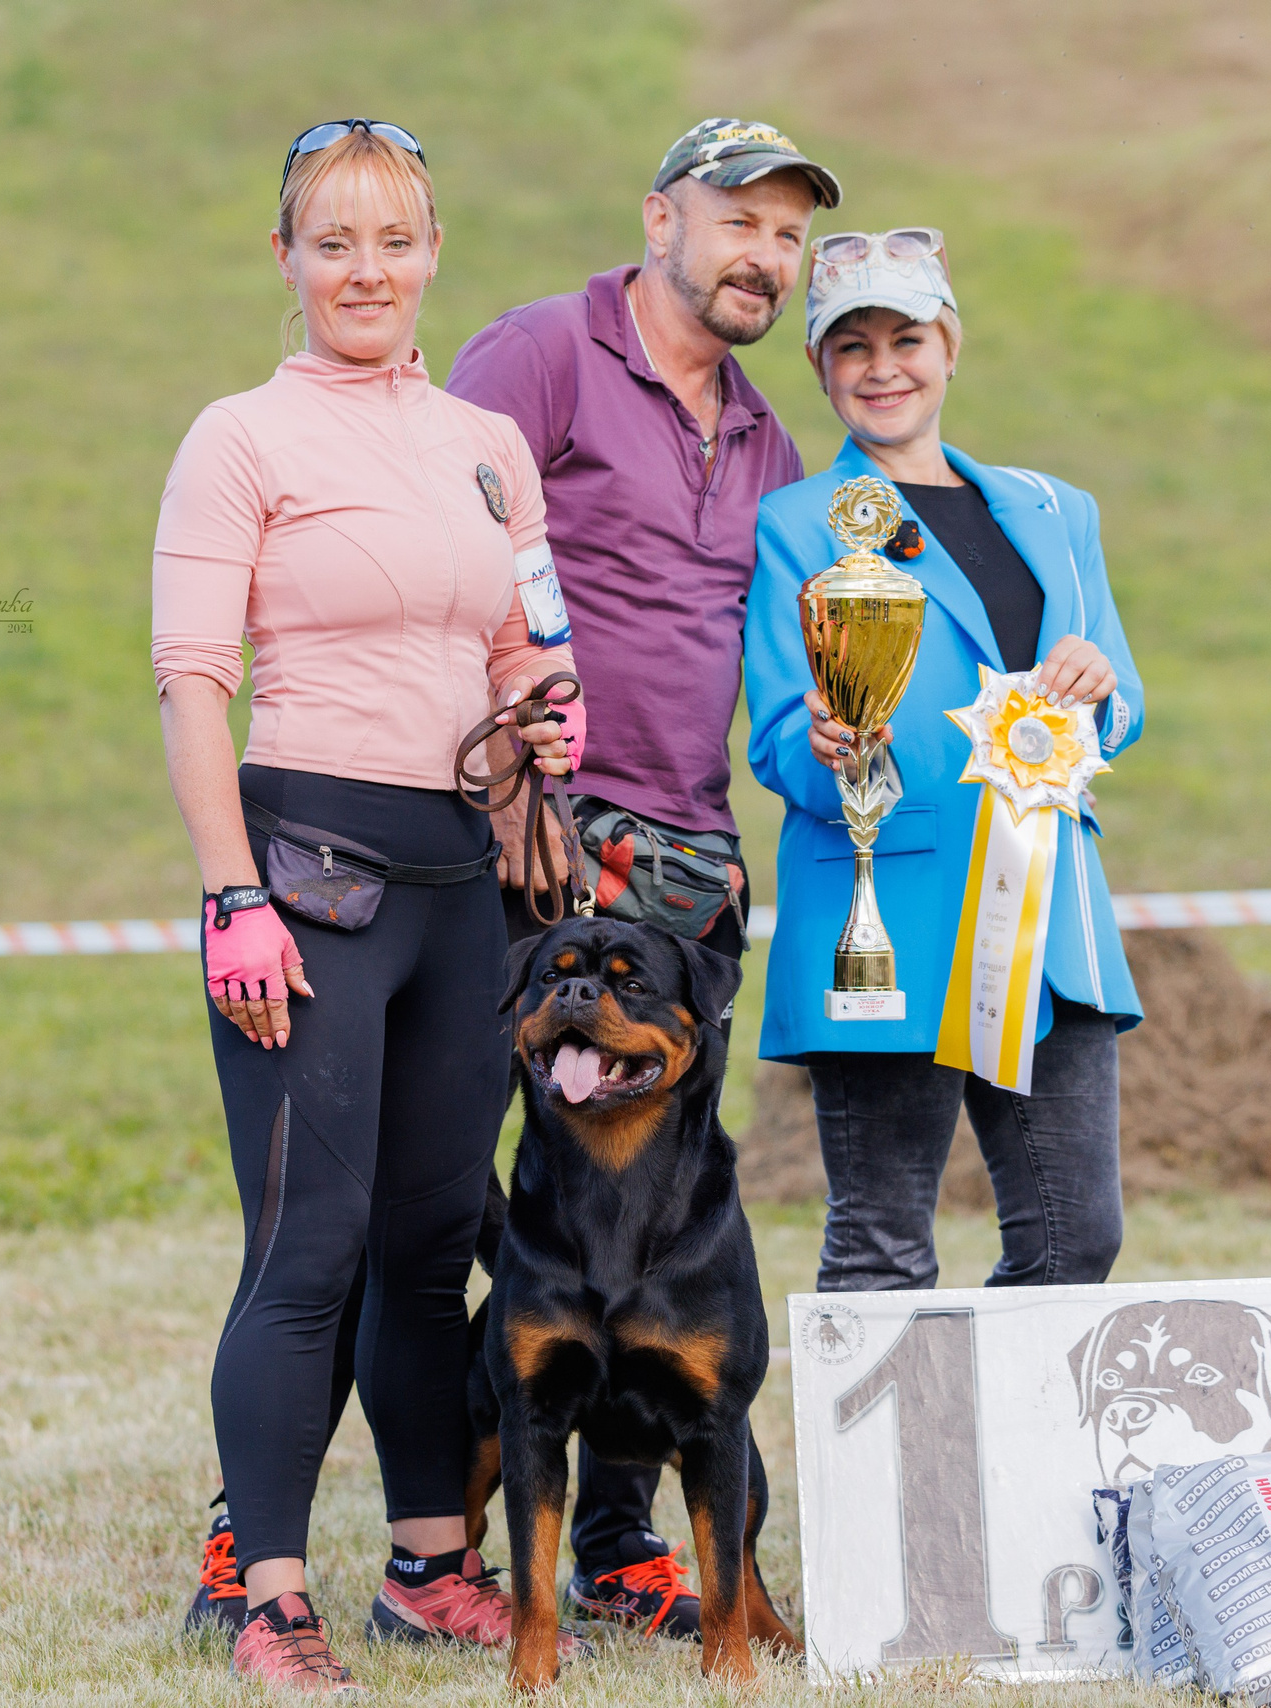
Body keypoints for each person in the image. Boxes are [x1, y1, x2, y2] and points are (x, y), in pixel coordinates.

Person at [151, 118, 583, 1691]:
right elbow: (193, 685)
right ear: (286, 261)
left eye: (393, 240)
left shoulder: (490, 444)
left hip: (467, 877)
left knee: (429, 1243)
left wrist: (547, 701)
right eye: (332, 242)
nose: (365, 270)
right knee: (308, 1247)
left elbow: (524, 637)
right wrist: (231, 898)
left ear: (432, 255)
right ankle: (268, 1597)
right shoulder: (239, 437)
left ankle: (428, 1568)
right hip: (307, 874)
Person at [445, 115, 840, 1641]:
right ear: (659, 217)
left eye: (787, 234)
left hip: (687, 867)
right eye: (738, 217)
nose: (762, 254)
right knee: (442, 1200)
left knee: (649, 1209)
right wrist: (492, 784)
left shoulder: (769, 436)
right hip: (530, 846)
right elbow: (441, 554)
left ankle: (620, 1546)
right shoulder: (540, 354)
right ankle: (418, 1538)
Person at [743, 226, 1145, 1296]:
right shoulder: (796, 523)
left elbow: (1125, 698)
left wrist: (1097, 687)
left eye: (906, 338)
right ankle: (882, 1471)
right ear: (821, 369)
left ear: (951, 345)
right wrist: (819, 747)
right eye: (852, 346)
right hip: (884, 910)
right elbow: (778, 730)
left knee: (1075, 1241)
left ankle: (1000, 1464)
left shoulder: (1061, 514)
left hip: (1048, 917)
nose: (883, 368)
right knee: (881, 1244)